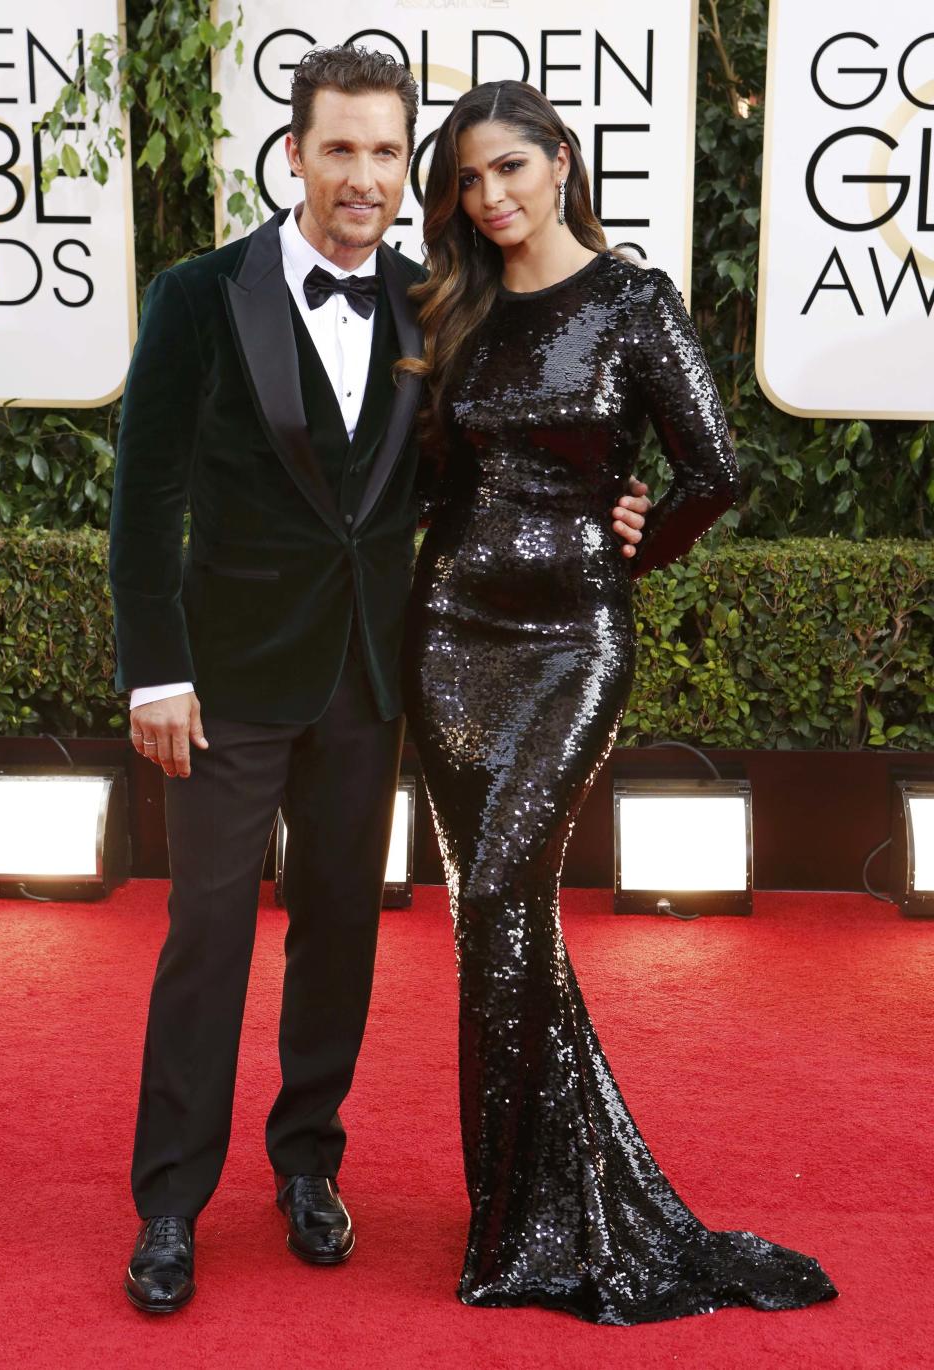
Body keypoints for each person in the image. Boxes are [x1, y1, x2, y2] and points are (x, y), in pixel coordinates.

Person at [109, 47, 651, 1313]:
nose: (362, 177)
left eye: (383, 154)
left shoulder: (435, 299)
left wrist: (612, 509)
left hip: (372, 673)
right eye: (337, 149)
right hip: (227, 680)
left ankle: (307, 1166)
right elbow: (148, 495)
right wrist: (155, 673)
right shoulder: (201, 294)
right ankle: (171, 1203)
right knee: (204, 938)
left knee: (342, 933)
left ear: (410, 168)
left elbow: (482, 471)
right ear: (291, 154)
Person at [401, 80, 839, 1326]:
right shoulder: (461, 308)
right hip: (446, 637)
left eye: (509, 170)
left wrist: (640, 545)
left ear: (562, 161)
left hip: (569, 645)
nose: (490, 198)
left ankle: (531, 1216)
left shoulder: (634, 300)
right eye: (469, 181)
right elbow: (433, 480)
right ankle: (533, 1202)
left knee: (500, 895)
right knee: (500, 915)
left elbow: (716, 466)